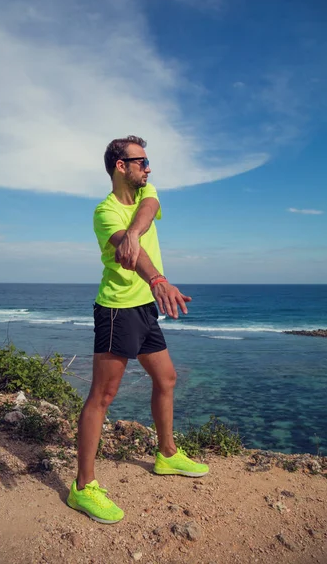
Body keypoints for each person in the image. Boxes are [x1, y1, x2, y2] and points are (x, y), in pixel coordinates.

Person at [67, 135, 209, 523]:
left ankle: (166, 455)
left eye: (148, 162)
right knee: (103, 395)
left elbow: (149, 208)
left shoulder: (144, 192)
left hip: (144, 309)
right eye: (141, 162)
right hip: (118, 310)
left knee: (167, 378)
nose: (148, 168)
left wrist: (134, 231)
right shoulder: (104, 212)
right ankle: (82, 487)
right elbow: (134, 257)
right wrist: (158, 279)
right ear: (120, 166)